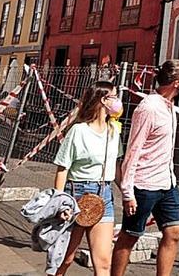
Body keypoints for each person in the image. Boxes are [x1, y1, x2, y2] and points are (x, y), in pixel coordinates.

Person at [113, 59, 179, 276]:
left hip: (167, 182)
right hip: (144, 185)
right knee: (130, 237)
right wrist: (128, 192)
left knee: (174, 232)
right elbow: (133, 150)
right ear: (176, 82)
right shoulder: (149, 108)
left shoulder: (169, 106)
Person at [51, 80, 124, 276]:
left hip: (104, 195)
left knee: (103, 263)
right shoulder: (78, 131)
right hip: (76, 195)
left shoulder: (114, 131)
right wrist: (60, 203)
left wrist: (127, 193)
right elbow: (62, 168)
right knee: (64, 259)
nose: (118, 102)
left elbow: (115, 166)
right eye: (115, 97)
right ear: (103, 100)